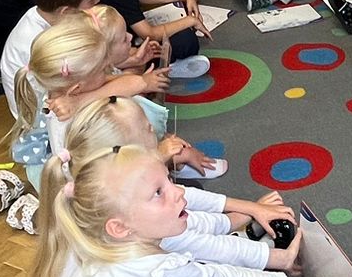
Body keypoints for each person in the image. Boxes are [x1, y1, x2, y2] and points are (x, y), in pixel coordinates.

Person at [31, 141, 352, 277]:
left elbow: (196, 231)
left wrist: (246, 219)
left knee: (207, 271)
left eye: (168, 182)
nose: (178, 192)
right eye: (158, 193)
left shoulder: (93, 238)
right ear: (119, 227)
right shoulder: (157, 271)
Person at [0, 10, 168, 227]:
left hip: (82, 179)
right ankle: (37, 210)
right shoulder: (78, 116)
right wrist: (161, 155)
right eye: (102, 70)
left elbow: (124, 80)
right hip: (88, 193)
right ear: (77, 88)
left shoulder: (61, 93)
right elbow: (134, 83)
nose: (108, 74)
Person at [67, 98, 292, 255]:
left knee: (188, 192)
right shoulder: (150, 226)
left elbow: (191, 203)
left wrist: (250, 210)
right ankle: (242, 238)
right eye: (148, 128)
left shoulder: (116, 190)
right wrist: (269, 257)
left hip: (186, 245)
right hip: (188, 263)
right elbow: (208, 251)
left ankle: (239, 233)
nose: (155, 131)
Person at [0, 0, 102, 127]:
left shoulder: (46, 13)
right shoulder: (42, 41)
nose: (98, 1)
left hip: (52, 94)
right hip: (42, 117)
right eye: (92, 0)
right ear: (66, 11)